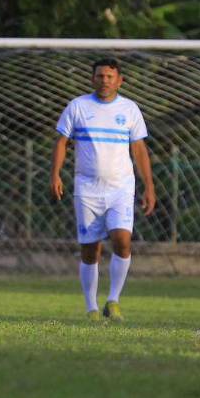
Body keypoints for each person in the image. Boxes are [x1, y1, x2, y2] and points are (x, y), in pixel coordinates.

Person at [50, 57, 155, 323]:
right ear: (92, 79)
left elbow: (139, 150)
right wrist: (56, 174)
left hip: (121, 187)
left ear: (120, 81)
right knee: (90, 249)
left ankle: (114, 300)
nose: (104, 81)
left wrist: (149, 186)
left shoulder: (130, 109)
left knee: (123, 240)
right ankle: (91, 308)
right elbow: (62, 142)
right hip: (87, 189)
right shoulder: (78, 107)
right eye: (100, 76)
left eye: (110, 77)